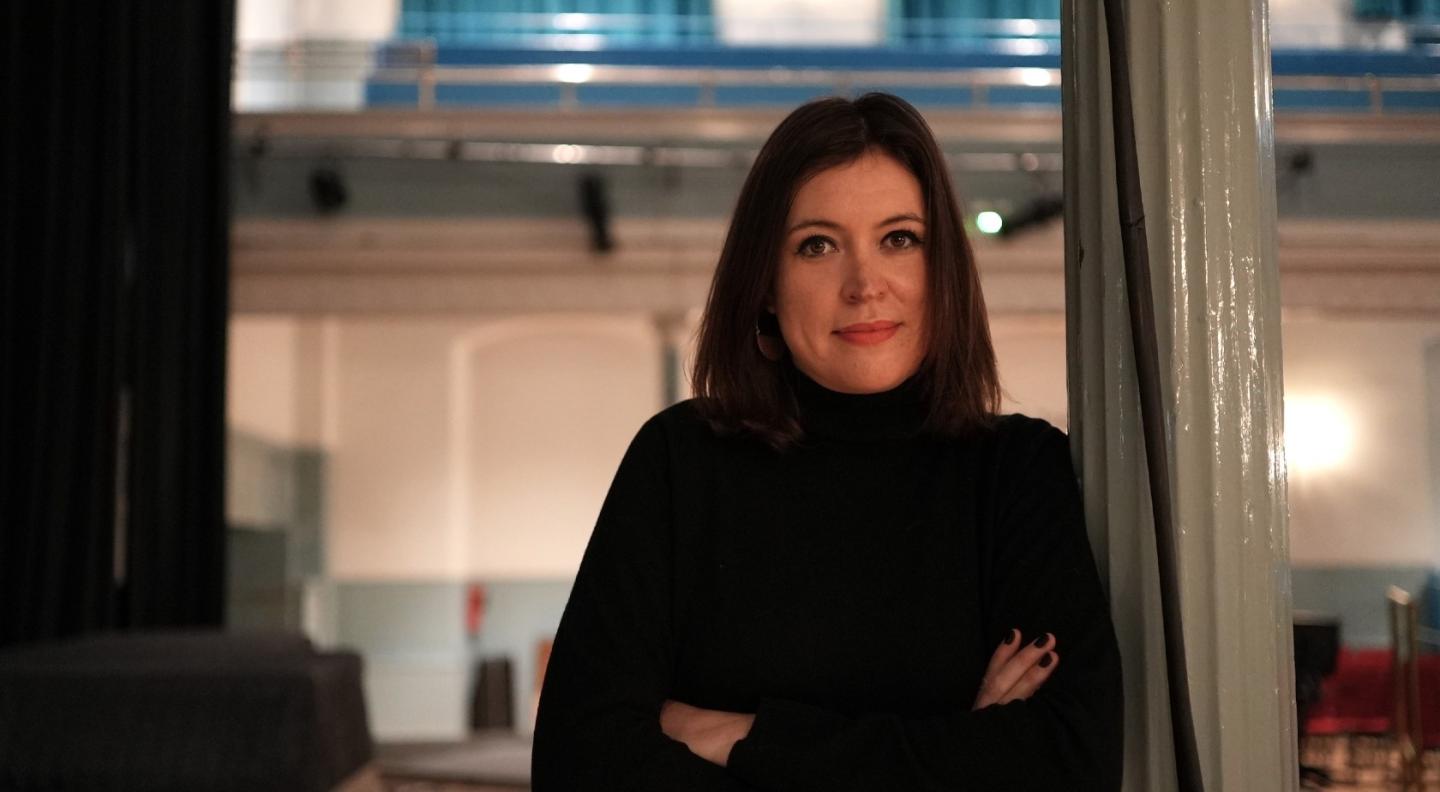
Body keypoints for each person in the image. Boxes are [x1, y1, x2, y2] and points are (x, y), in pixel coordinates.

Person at [531, 92, 1123, 791]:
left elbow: (1069, 765)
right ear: (767, 289)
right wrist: (960, 746)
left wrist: (739, 736)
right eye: (818, 245)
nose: (865, 285)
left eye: (899, 238)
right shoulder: (681, 460)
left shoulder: (1016, 471)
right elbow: (579, 763)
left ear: (944, 272)